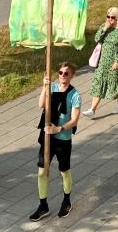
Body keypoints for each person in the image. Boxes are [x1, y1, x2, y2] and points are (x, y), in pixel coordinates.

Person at [29, 62, 81, 221]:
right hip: (47, 137)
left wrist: (58, 129)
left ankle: (66, 201)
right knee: (41, 171)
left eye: (66, 73)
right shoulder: (52, 88)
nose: (62, 76)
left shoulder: (75, 95)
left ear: (72, 75)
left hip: (63, 138)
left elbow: (74, 120)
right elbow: (41, 105)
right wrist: (44, 87)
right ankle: (43, 205)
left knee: (64, 170)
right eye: (60, 72)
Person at [82, 7, 118, 118]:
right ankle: (92, 109)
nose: (110, 19)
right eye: (108, 17)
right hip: (103, 61)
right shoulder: (104, 26)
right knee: (99, 82)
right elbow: (97, 38)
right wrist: (105, 29)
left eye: (112, 17)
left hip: (115, 61)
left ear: (117, 18)